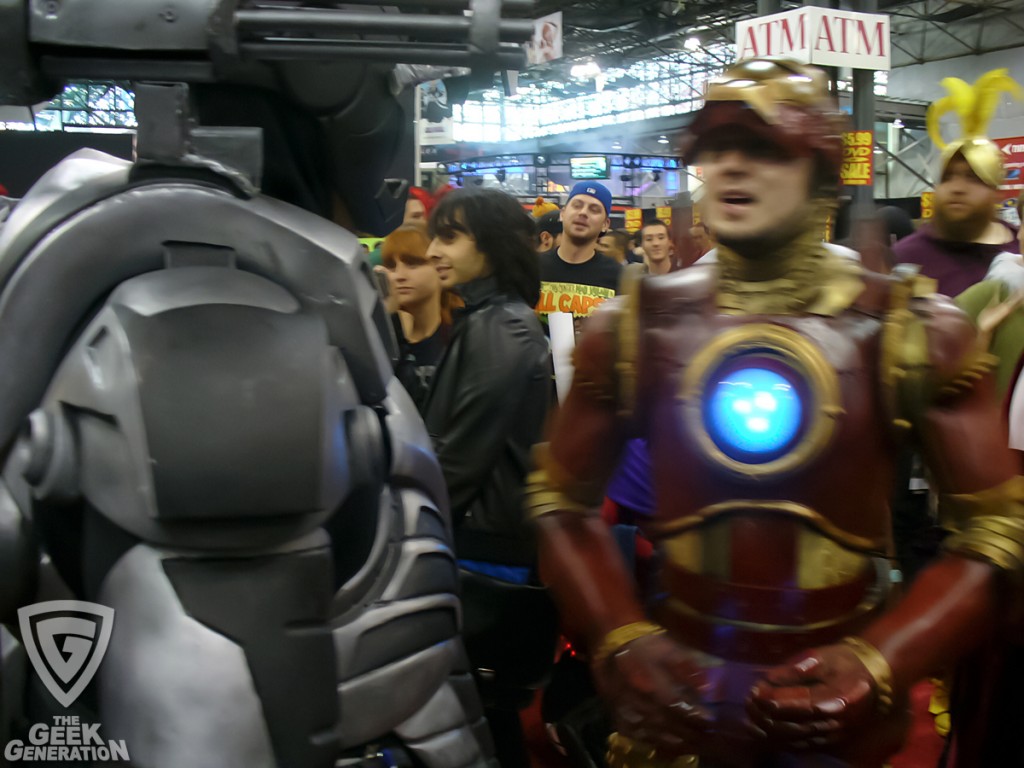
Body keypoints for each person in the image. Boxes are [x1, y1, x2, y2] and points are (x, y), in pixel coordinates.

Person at [528, 56, 1024, 767]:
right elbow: (560, 500)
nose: (733, 168)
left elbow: (998, 528)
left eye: (762, 148)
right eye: (718, 149)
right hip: (681, 695)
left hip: (836, 696)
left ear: (819, 170)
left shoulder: (912, 327)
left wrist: (881, 660)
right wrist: (622, 637)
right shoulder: (636, 325)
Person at [422, 188, 556, 767]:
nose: (432, 252)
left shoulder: (501, 327)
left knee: (480, 713)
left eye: (449, 237)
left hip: (486, 549)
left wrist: (410, 530)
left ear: (493, 246)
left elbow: (460, 458)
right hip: (484, 540)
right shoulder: (489, 319)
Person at [894, 70, 1021, 296]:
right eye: (948, 177)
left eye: (972, 178)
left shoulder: (1018, 249)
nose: (957, 188)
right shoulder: (907, 257)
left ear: (995, 190)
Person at [380, 224, 454, 412]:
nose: (398, 276)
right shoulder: (381, 336)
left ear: (440, 268)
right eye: (391, 266)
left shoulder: (461, 335)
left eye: (413, 264)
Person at [537, 181, 622, 332]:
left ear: (605, 224)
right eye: (577, 205)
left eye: (594, 209)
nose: (583, 213)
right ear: (562, 214)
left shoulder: (619, 276)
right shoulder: (532, 267)